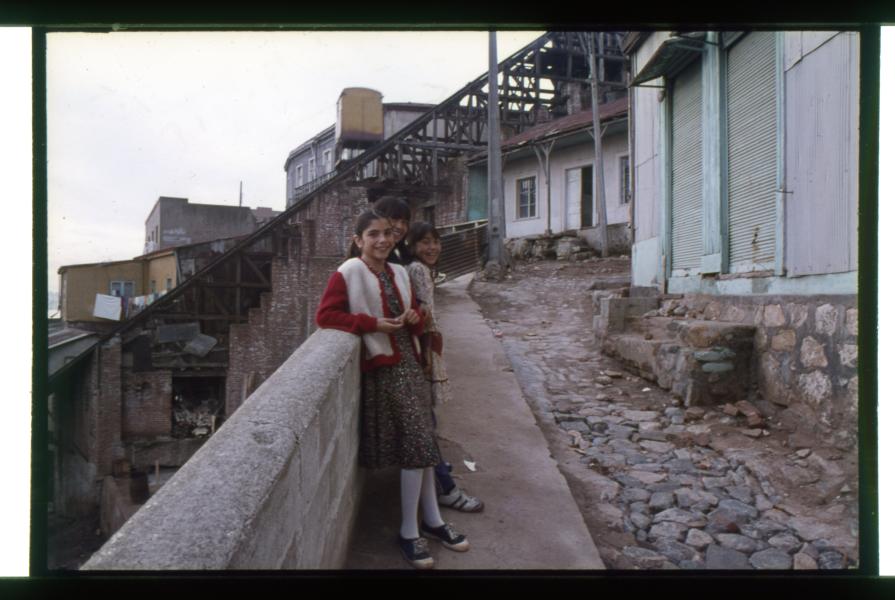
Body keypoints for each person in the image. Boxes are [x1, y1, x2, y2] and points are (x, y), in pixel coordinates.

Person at [315, 209, 469, 569]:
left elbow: (415, 314)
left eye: (387, 233)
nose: (382, 240)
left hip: (410, 364)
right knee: (419, 443)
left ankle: (431, 521)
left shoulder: (399, 271)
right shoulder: (348, 272)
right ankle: (409, 531)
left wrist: (416, 319)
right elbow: (326, 316)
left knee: (425, 443)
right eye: (372, 235)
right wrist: (370, 324)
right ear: (358, 241)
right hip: (385, 369)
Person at [405, 221, 485, 513]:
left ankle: (439, 472)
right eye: (424, 242)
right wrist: (429, 352)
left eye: (435, 241)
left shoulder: (419, 270)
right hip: (422, 350)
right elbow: (424, 314)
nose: (432, 247)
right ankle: (445, 488)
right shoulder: (417, 270)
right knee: (428, 425)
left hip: (425, 347)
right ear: (412, 246)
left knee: (430, 421)